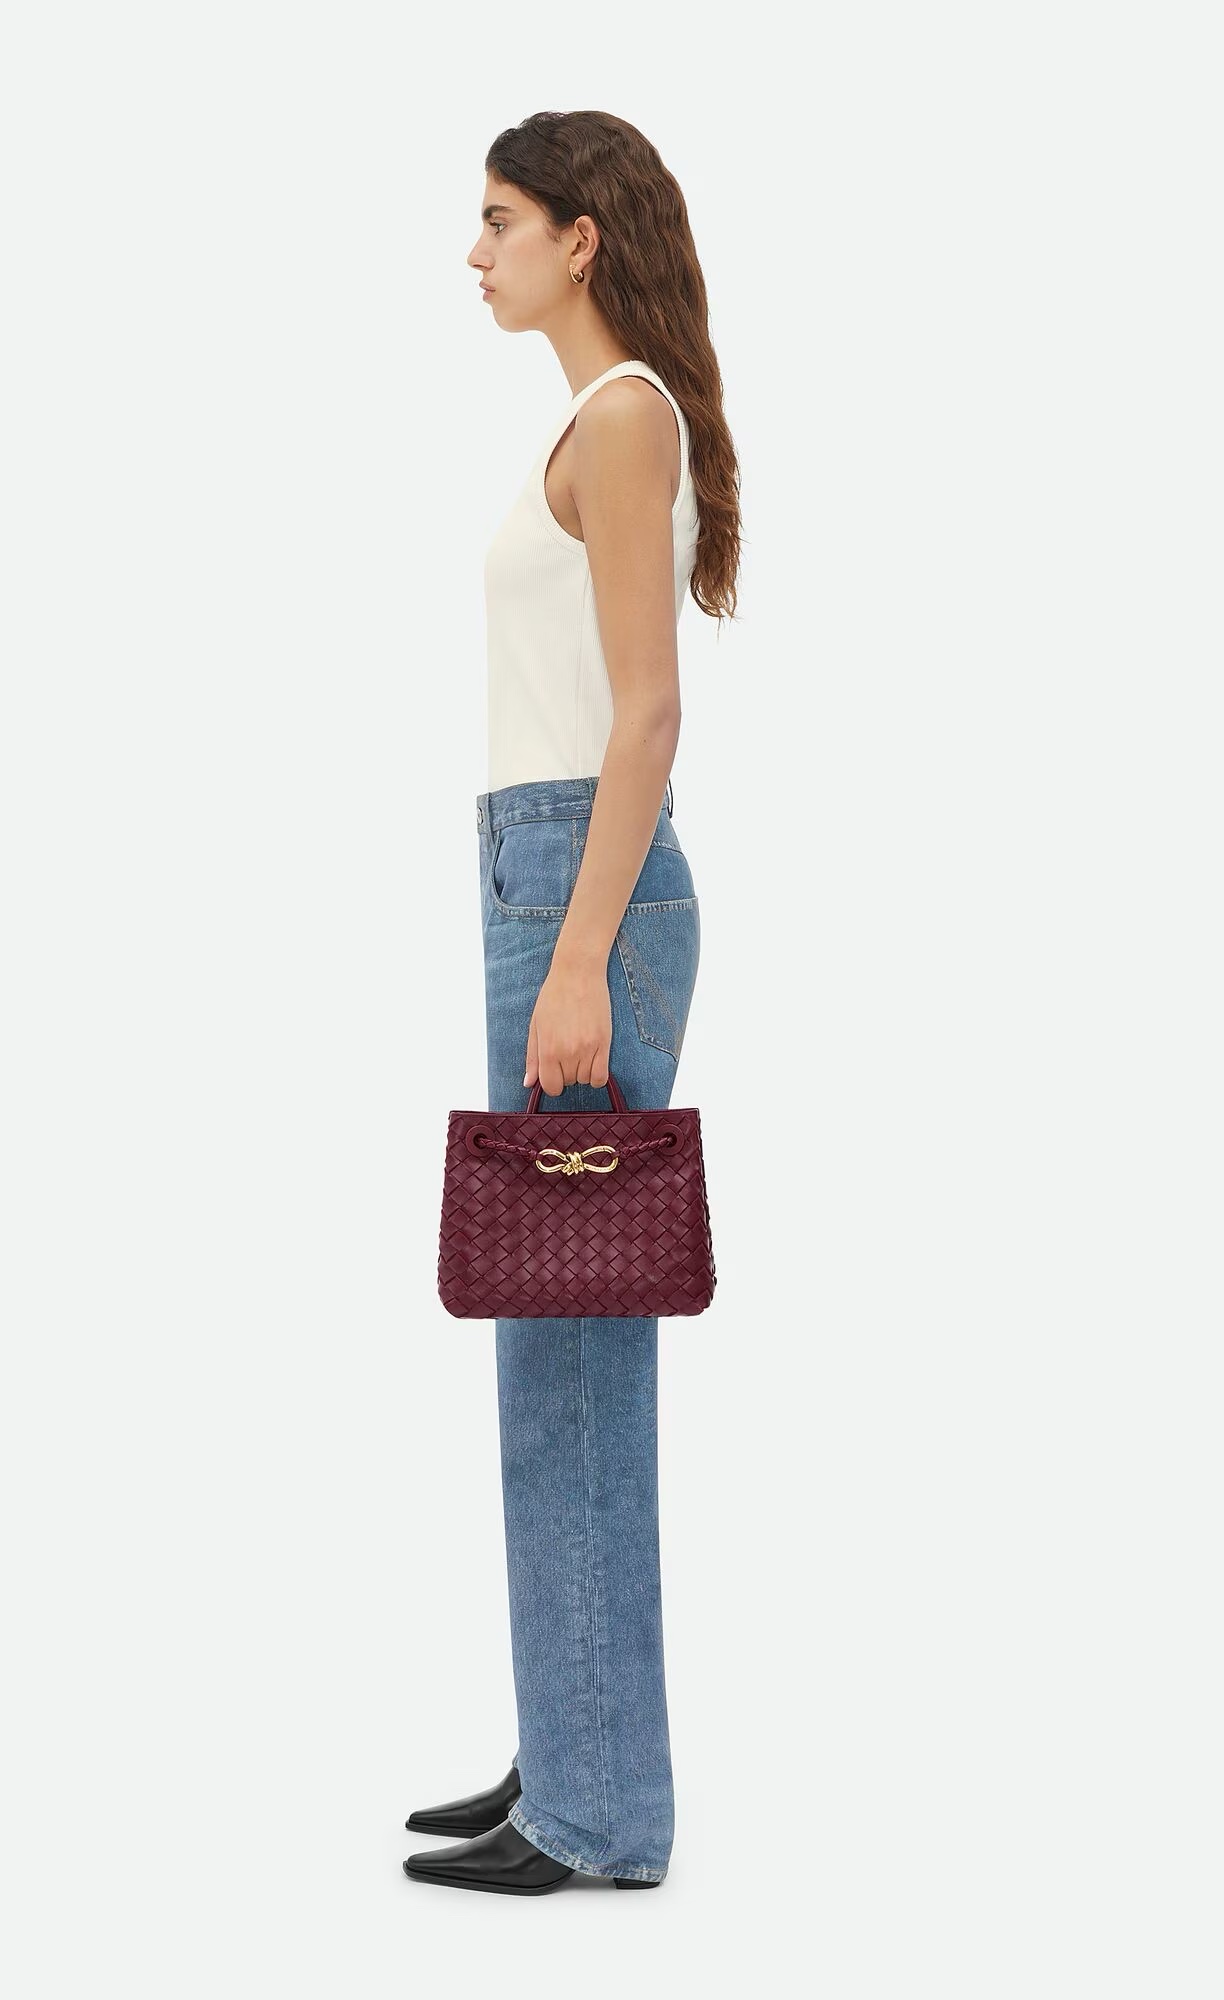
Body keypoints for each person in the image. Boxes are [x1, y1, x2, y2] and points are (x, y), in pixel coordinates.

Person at [402, 110, 742, 1897]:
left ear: (579, 237)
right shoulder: (601, 418)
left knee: (573, 1352)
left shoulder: (620, 417)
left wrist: (581, 953)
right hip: (542, 869)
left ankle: (599, 1811)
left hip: (577, 881)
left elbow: (646, 712)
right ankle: (576, 1739)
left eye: (498, 220)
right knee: (549, 1334)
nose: (474, 254)